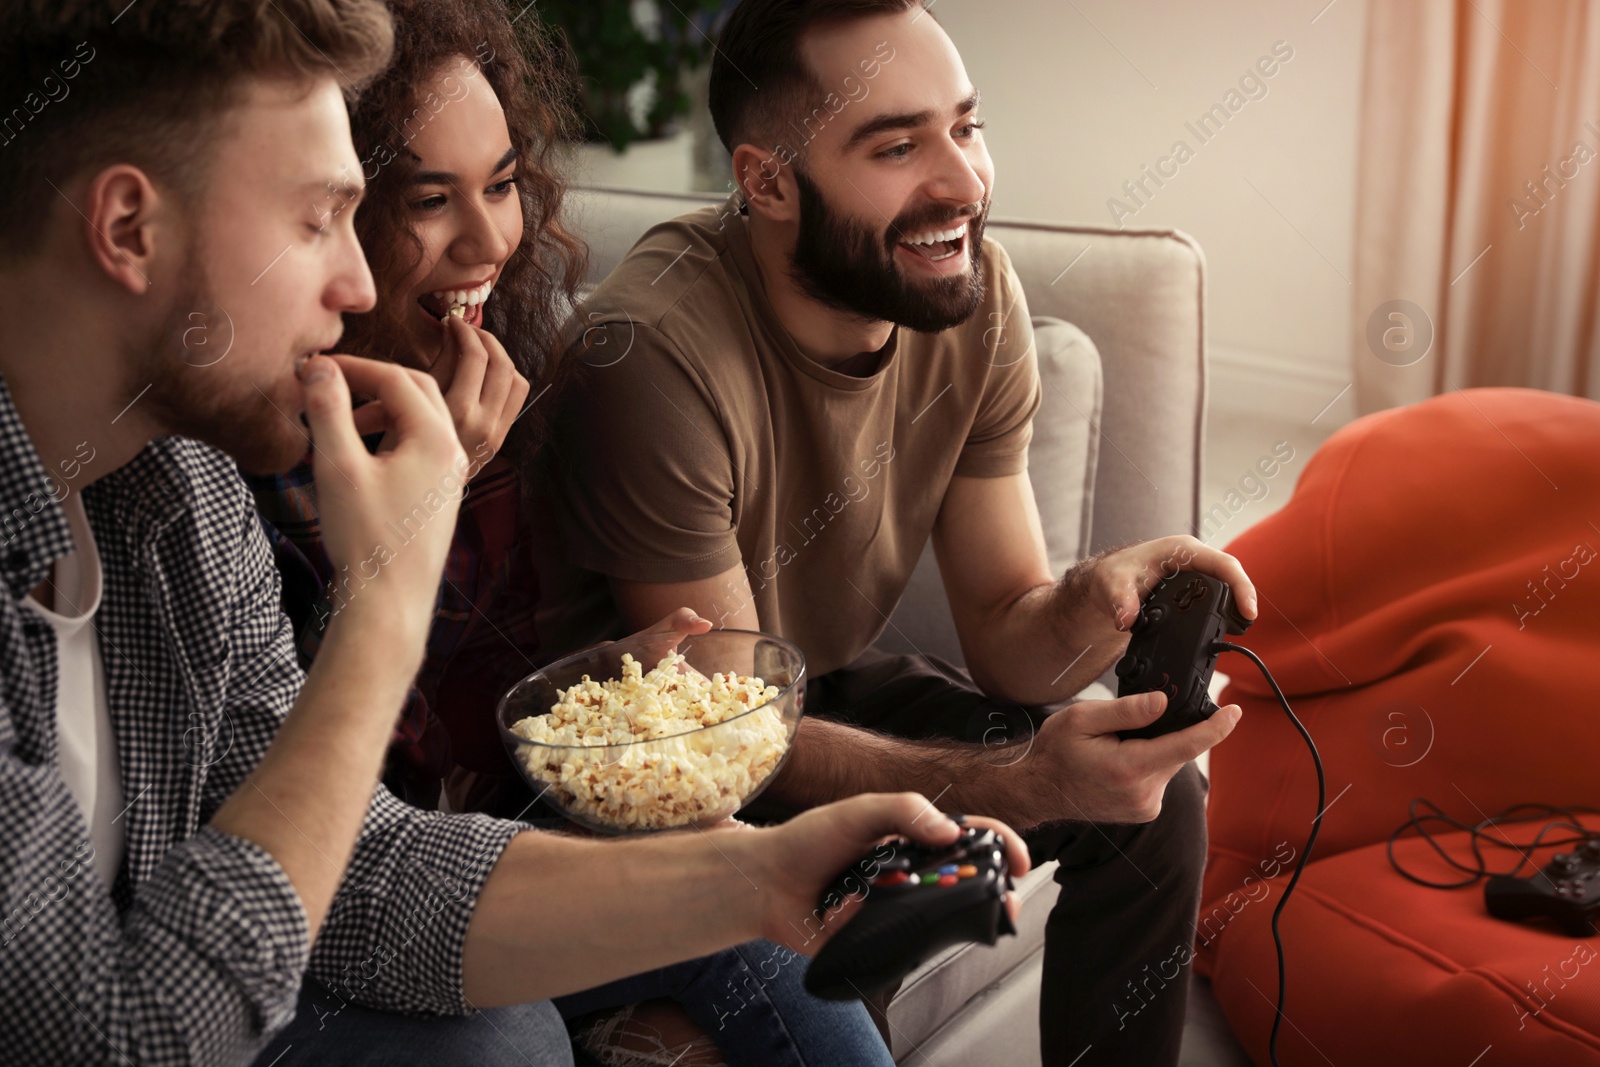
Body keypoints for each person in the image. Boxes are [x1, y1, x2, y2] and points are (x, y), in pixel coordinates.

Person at [0, 3, 1029, 1065]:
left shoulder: (180, 493)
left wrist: (761, 877)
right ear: (128, 228)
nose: (351, 284)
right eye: (316, 219)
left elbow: (348, 872)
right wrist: (384, 608)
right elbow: (120, 1040)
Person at [536, 1, 1256, 1064]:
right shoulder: (648, 351)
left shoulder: (970, 295)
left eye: (965, 127)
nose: (964, 182)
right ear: (767, 181)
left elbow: (1010, 635)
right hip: (646, 771)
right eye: (897, 144)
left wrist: (1098, 597)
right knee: (875, 865)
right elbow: (729, 744)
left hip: (806, 689)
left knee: (1154, 794)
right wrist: (1021, 782)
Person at [244, 2, 903, 1064]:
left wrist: (597, 697)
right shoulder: (251, 435)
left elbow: (491, 718)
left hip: (505, 831)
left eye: (503, 185)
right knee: (510, 1039)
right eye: (427, 199)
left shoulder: (512, 360)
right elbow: (320, 787)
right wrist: (427, 503)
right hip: (343, 890)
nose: (490, 240)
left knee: (774, 941)